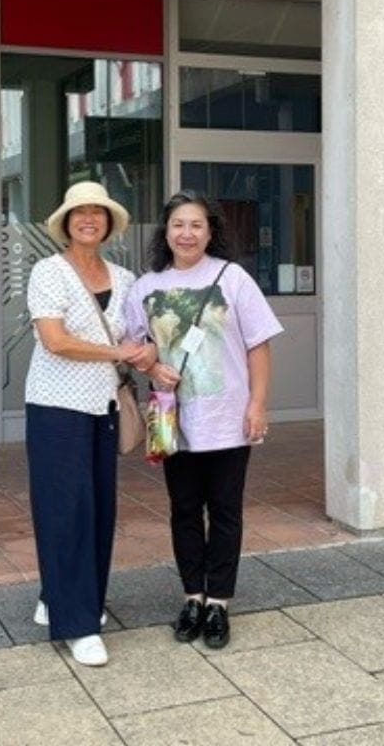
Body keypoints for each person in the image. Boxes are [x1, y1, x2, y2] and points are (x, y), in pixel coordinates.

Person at [124, 191, 282, 651]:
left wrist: (258, 404)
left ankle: (219, 603)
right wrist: (152, 368)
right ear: (166, 231)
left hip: (229, 416)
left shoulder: (233, 279)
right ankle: (192, 596)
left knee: (227, 512)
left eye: (196, 225)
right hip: (171, 419)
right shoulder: (145, 287)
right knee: (184, 511)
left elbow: (259, 345)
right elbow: (136, 348)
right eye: (178, 224)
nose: (186, 233)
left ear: (210, 231)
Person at [24, 181, 157, 667]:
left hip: (103, 407)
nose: (88, 220)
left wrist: (150, 358)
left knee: (98, 509)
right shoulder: (49, 271)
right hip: (56, 407)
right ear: (66, 222)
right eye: (79, 213)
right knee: (66, 508)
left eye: (97, 213)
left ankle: (58, 597)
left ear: (107, 224)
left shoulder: (123, 278)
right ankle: (78, 624)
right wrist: (116, 351)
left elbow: (138, 338)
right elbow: (55, 340)